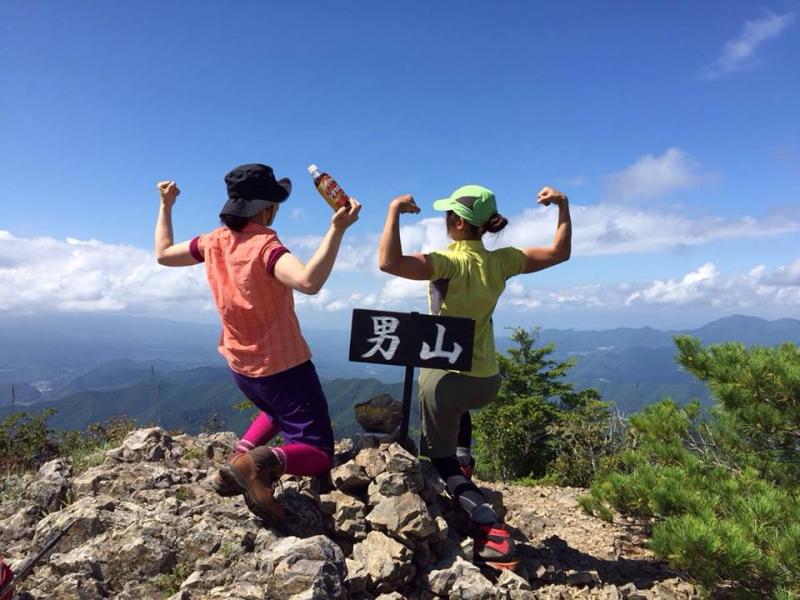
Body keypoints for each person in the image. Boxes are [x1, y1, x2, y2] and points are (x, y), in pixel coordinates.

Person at [378, 183, 571, 570]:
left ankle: (489, 526)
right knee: (457, 412)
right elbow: (559, 252)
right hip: (486, 379)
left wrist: (393, 212)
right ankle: (463, 462)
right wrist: (563, 207)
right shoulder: (503, 262)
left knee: (440, 460)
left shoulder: (448, 262)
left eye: (449, 213)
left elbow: (389, 263)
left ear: (460, 223)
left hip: (445, 381)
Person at [155, 163, 361, 523]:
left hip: (240, 367)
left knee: (276, 411)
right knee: (319, 451)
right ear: (267, 208)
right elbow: (308, 281)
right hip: (285, 367)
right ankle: (262, 463)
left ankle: (239, 458)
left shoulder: (212, 241)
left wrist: (166, 206)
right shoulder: (266, 246)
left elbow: (163, 254)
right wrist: (337, 229)